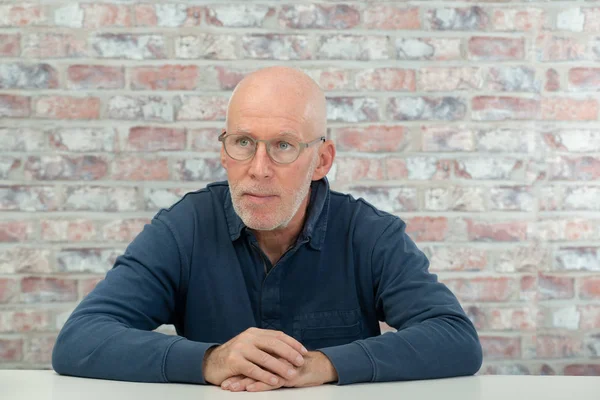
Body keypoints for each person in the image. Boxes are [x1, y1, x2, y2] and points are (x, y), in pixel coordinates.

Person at [52, 66, 482, 392]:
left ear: (322, 160)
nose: (258, 170)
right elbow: (81, 339)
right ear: (223, 151)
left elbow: (455, 339)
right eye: (243, 143)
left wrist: (322, 365)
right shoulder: (185, 228)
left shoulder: (369, 235)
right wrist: (211, 360)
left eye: (283, 146)